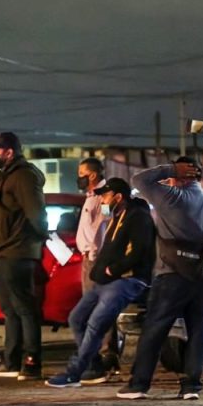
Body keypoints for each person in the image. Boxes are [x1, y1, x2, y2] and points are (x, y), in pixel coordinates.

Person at [118, 157, 203, 400]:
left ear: (178, 175)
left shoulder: (170, 196)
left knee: (155, 328)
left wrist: (169, 169)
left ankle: (139, 385)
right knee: (200, 330)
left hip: (172, 274)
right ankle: (191, 386)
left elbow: (138, 180)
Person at [46, 178, 155, 388]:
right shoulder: (117, 215)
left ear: (118, 197)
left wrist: (112, 270)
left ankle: (74, 373)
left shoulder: (138, 217)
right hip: (106, 281)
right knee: (76, 318)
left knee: (96, 324)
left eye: (106, 196)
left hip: (126, 280)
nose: (103, 200)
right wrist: (99, 272)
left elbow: (140, 252)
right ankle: (93, 365)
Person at [0, 132, 49, 380]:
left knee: (24, 309)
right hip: (3, 252)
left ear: (9, 152)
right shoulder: (7, 175)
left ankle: (31, 363)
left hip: (17, 251)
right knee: (10, 310)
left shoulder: (23, 176)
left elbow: (36, 212)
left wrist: (39, 237)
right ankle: (11, 362)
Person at [74, 157, 121, 378]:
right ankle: (105, 354)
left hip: (96, 258)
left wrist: (94, 253)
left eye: (81, 172)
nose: (79, 177)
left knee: (98, 308)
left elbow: (103, 225)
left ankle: (105, 355)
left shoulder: (104, 196)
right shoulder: (91, 196)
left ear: (92, 175)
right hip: (89, 257)